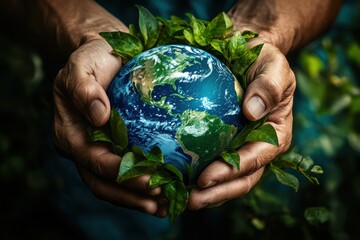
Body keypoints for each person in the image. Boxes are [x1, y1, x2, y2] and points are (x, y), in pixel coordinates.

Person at [0, 0, 343, 237]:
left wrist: (263, 32)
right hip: (96, 95)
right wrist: (86, 31)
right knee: (106, 219)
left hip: (249, 107)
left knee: (259, 213)